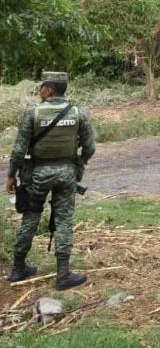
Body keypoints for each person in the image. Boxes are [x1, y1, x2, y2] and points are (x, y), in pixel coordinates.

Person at [5, 71, 95, 290]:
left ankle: (18, 268)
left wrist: (10, 175)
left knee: (31, 217)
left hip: (37, 175)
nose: (39, 91)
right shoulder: (78, 112)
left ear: (50, 90)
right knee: (64, 220)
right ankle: (63, 275)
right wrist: (79, 163)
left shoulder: (32, 113)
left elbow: (19, 150)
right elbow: (90, 147)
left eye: (42, 87)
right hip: (66, 174)